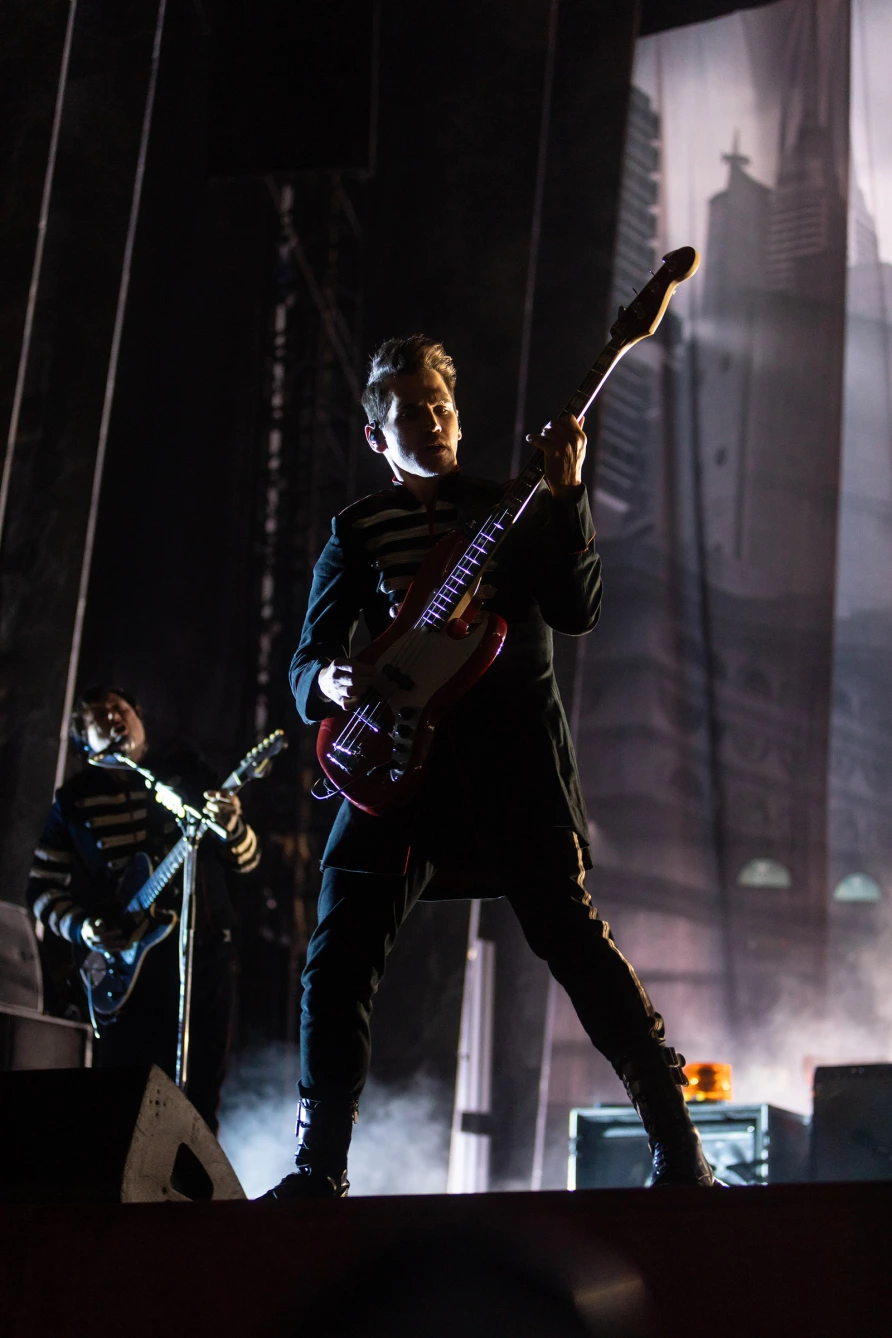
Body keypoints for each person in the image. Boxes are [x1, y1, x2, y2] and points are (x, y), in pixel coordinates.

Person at [265, 335, 715, 1197]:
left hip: (515, 768)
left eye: (441, 406)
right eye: (409, 413)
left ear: (460, 419)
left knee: (575, 942)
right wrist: (329, 676)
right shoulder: (358, 531)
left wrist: (570, 491)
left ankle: (677, 1147)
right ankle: (318, 1167)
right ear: (376, 435)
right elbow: (304, 665)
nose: (430, 420)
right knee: (337, 956)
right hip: (396, 768)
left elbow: (577, 611)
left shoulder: (516, 504)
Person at [26, 685, 260, 1131]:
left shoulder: (184, 772)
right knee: (127, 1099)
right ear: (82, 737)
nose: (115, 718)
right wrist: (87, 931)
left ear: (139, 719)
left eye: (122, 709)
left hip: (202, 954)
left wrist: (231, 826)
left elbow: (248, 860)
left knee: (199, 1095)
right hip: (127, 973)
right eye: (99, 715)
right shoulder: (73, 801)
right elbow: (41, 890)